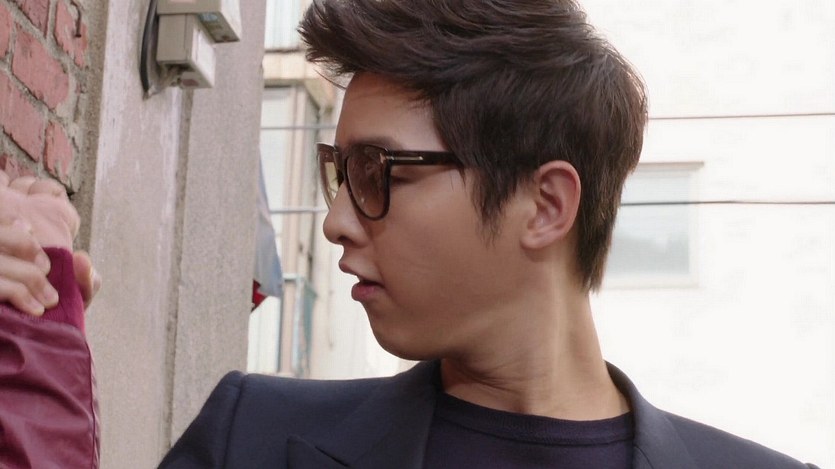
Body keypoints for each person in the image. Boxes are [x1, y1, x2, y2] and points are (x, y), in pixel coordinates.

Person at [0, 0, 821, 467]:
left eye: (378, 172)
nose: (335, 221)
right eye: (338, 172)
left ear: (545, 205)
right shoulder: (252, 437)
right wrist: (30, 340)